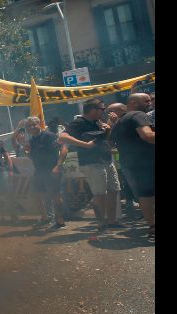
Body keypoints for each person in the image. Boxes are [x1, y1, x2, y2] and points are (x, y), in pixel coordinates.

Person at [59, 98, 122, 233]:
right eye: (102, 109)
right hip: (92, 163)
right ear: (92, 109)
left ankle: (112, 221)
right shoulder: (78, 122)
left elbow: (103, 139)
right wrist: (85, 145)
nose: (104, 111)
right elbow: (62, 137)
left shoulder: (97, 122)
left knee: (114, 190)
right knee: (100, 194)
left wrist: (109, 127)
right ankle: (101, 224)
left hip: (106, 160)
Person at [110, 93, 155, 240]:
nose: (149, 103)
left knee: (144, 195)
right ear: (134, 103)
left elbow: (112, 144)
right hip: (148, 161)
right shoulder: (138, 115)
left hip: (130, 165)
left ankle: (152, 227)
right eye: (146, 100)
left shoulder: (118, 123)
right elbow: (147, 136)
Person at [23, 116, 68, 230]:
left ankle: (60, 222)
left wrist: (58, 166)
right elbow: (32, 157)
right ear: (27, 129)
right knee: (35, 194)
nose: (32, 127)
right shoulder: (31, 140)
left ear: (39, 124)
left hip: (52, 170)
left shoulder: (49, 136)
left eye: (34, 124)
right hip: (39, 171)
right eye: (29, 126)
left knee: (55, 196)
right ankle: (45, 218)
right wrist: (27, 152)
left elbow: (64, 148)